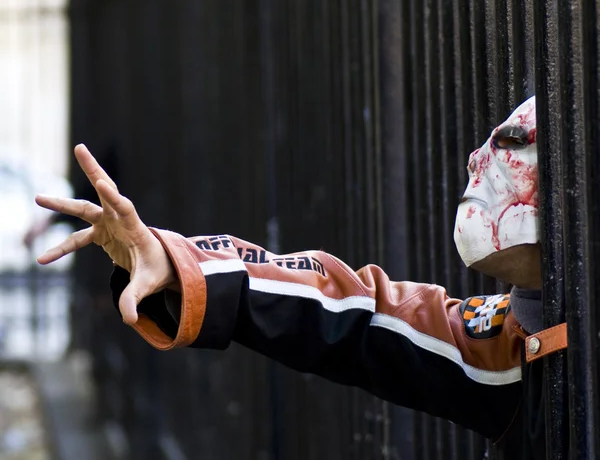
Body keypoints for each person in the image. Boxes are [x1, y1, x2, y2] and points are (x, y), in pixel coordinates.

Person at [35, 97, 558, 459]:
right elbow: (355, 314)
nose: (477, 159)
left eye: (514, 141)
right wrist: (180, 262)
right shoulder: (515, 346)